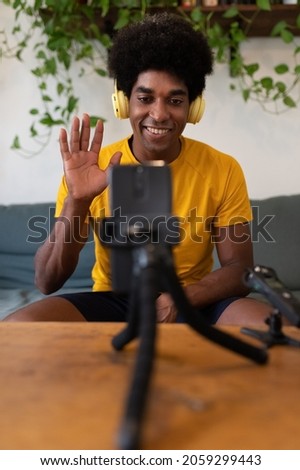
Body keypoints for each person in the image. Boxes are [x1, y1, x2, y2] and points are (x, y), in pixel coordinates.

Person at [3, 12, 272, 324]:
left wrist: (179, 300)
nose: (158, 114)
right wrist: (78, 200)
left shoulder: (222, 168)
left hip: (192, 297)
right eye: (145, 98)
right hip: (115, 300)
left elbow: (240, 271)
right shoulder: (92, 168)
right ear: (124, 102)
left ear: (193, 108)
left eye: (175, 100)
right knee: (17, 330)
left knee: (279, 333)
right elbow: (46, 281)